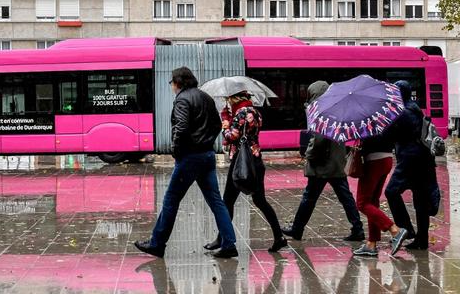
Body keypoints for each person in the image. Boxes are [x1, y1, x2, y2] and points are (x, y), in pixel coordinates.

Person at [134, 67, 238, 258]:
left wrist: (177, 150)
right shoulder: (205, 97)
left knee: (171, 199)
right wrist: (206, 142)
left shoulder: (182, 99)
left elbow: (181, 127)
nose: (172, 86)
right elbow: (216, 125)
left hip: (190, 157)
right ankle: (229, 243)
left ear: (178, 83)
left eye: (172, 82)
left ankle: (157, 244)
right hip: (207, 156)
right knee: (216, 201)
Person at [203, 91, 287, 252]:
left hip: (241, 165)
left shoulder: (241, 113)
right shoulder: (255, 112)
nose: (227, 102)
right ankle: (279, 237)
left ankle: (223, 240)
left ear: (235, 98)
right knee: (260, 200)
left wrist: (225, 121)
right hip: (255, 161)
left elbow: (230, 137)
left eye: (228, 99)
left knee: (227, 201)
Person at [281, 81, 365, 241]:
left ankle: (297, 229)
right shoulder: (337, 109)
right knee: (345, 197)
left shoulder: (321, 112)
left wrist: (308, 154)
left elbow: (319, 139)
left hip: (322, 164)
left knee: (309, 198)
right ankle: (358, 229)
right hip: (336, 162)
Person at [384, 80, 436, 250]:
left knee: (391, 192)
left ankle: (406, 229)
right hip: (422, 159)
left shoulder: (403, 113)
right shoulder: (414, 109)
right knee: (420, 201)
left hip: (409, 160)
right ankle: (422, 240)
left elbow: (389, 134)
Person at [353, 134, 408, 257]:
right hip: (387, 159)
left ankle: (395, 230)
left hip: (374, 160)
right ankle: (371, 244)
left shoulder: (367, 118)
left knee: (362, 203)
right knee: (372, 201)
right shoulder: (382, 117)